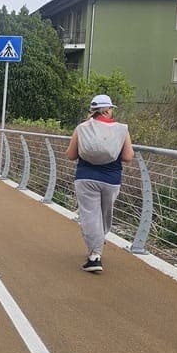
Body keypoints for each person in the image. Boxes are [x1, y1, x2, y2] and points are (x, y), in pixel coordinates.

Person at [65, 94, 135, 273]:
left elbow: (71, 155)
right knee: (104, 215)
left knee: (90, 216)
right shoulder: (122, 129)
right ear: (109, 109)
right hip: (112, 179)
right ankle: (97, 245)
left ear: (92, 110)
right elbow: (128, 157)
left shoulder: (82, 128)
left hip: (86, 177)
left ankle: (95, 255)